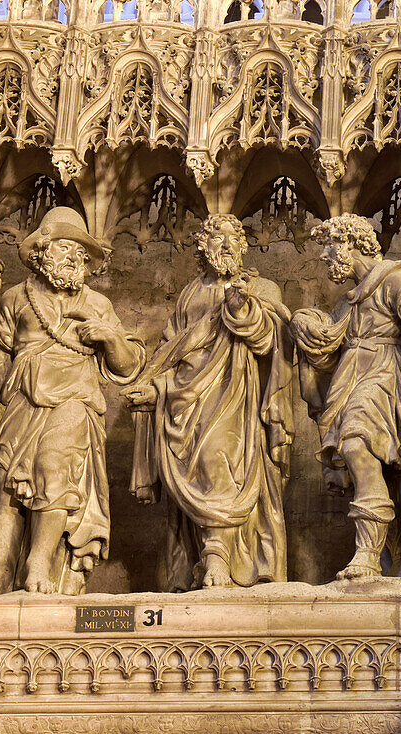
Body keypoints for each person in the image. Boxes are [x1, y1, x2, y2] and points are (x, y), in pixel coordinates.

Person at [0, 207, 144, 595]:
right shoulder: (15, 298)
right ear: (41, 252)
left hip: (76, 398)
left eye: (80, 252)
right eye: (64, 247)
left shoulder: (98, 304)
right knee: (7, 478)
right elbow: (0, 350)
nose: (74, 257)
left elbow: (126, 367)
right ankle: (0, 571)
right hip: (24, 398)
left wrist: (110, 337)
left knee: (54, 467)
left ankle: (38, 561)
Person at [126, 214, 295, 590]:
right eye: (218, 239)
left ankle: (219, 554)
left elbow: (271, 342)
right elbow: (173, 350)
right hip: (186, 400)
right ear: (203, 247)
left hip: (237, 395)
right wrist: (159, 387)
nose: (227, 246)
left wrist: (241, 309)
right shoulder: (190, 293)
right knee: (198, 467)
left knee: (218, 457)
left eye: (234, 240)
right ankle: (199, 563)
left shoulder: (259, 288)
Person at [293, 214, 401, 580]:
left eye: (329, 249)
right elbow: (328, 345)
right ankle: (383, 554)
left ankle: (367, 556)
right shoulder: (350, 301)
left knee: (355, 445)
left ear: (348, 244)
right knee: (360, 454)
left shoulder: (394, 279)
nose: (326, 259)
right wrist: (303, 325)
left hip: (384, 380)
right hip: (353, 380)